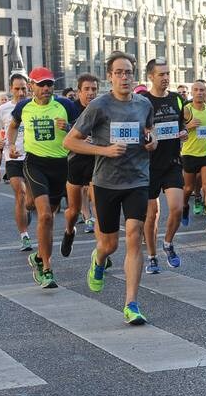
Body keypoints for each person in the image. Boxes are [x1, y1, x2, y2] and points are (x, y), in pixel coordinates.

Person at [64, 52, 156, 325]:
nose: (124, 77)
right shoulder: (99, 106)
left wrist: (152, 143)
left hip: (137, 179)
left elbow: (150, 134)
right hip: (105, 182)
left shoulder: (143, 104)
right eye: (119, 72)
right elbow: (70, 142)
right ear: (110, 76)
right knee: (109, 244)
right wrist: (103, 150)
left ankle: (131, 304)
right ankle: (99, 258)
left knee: (134, 233)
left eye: (128, 72)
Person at [9, 67, 82, 288]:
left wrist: (69, 127)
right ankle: (47, 268)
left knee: (48, 215)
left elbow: (81, 130)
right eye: (41, 84)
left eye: (49, 84)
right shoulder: (24, 107)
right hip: (35, 162)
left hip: (60, 164)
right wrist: (11, 144)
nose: (46, 88)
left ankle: (39, 256)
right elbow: (13, 127)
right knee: (46, 217)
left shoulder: (66, 105)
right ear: (32, 85)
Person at [139, 58, 186, 273]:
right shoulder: (142, 101)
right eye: (161, 74)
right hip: (148, 166)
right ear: (150, 76)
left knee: (176, 208)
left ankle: (168, 243)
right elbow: (136, 129)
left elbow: (181, 125)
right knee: (152, 214)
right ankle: (151, 256)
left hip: (172, 162)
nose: (166, 78)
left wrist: (183, 132)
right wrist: (146, 138)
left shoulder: (177, 99)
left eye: (167, 73)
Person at [0, 73, 35, 251]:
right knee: (21, 193)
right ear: (11, 89)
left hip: (33, 157)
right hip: (13, 158)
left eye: (24, 88)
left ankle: (27, 211)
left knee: (30, 202)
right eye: (17, 88)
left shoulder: (35, 107)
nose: (21, 92)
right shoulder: (2, 110)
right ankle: (24, 235)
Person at [60, 73, 99, 256]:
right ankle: (69, 232)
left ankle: (101, 251)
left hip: (97, 162)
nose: (90, 93)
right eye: (87, 89)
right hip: (75, 162)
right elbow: (63, 133)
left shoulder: (101, 108)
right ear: (78, 91)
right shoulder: (71, 109)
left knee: (100, 209)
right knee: (73, 211)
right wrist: (66, 127)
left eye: (94, 89)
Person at [180, 80, 206, 233]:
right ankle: (184, 205)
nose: (199, 93)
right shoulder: (186, 110)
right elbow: (179, 129)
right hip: (190, 153)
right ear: (192, 92)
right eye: (196, 90)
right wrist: (187, 126)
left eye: (202, 90)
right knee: (188, 188)